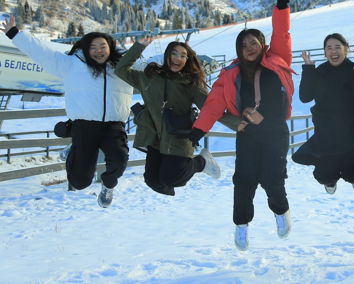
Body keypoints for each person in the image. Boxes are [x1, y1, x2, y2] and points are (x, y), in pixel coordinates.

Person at [189, 0, 295, 251]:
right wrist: (199, 130)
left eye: (254, 42)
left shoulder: (277, 59)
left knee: (273, 178)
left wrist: (281, 7)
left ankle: (281, 211)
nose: (249, 47)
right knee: (244, 180)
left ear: (262, 44)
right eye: (244, 44)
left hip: (275, 131)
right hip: (248, 132)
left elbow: (282, 32)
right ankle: (241, 225)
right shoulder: (230, 73)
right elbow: (212, 104)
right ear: (238, 50)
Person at [1, 16, 133, 208]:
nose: (98, 51)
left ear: (110, 47)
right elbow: (42, 52)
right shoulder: (71, 64)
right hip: (85, 125)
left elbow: (153, 66)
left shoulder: (121, 67)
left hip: (114, 124)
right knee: (80, 182)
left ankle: (108, 186)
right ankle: (74, 150)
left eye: (102, 46)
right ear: (86, 49)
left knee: (120, 159)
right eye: (93, 47)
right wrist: (15, 34)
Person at [114, 38, 222, 196]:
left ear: (187, 60)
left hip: (177, 135)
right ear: (167, 56)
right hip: (155, 136)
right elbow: (121, 69)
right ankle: (171, 180)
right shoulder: (149, 77)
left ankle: (202, 162)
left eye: (183, 55)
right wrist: (139, 46)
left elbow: (209, 108)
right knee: (152, 180)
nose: (178, 58)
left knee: (173, 178)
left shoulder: (190, 83)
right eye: (174, 53)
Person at [292, 33, 354, 195]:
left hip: (352, 130)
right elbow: (305, 97)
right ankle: (329, 181)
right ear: (325, 52)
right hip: (326, 131)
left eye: (337, 47)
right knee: (325, 174)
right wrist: (308, 69)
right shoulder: (319, 71)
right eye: (329, 47)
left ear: (345, 49)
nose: (333, 51)